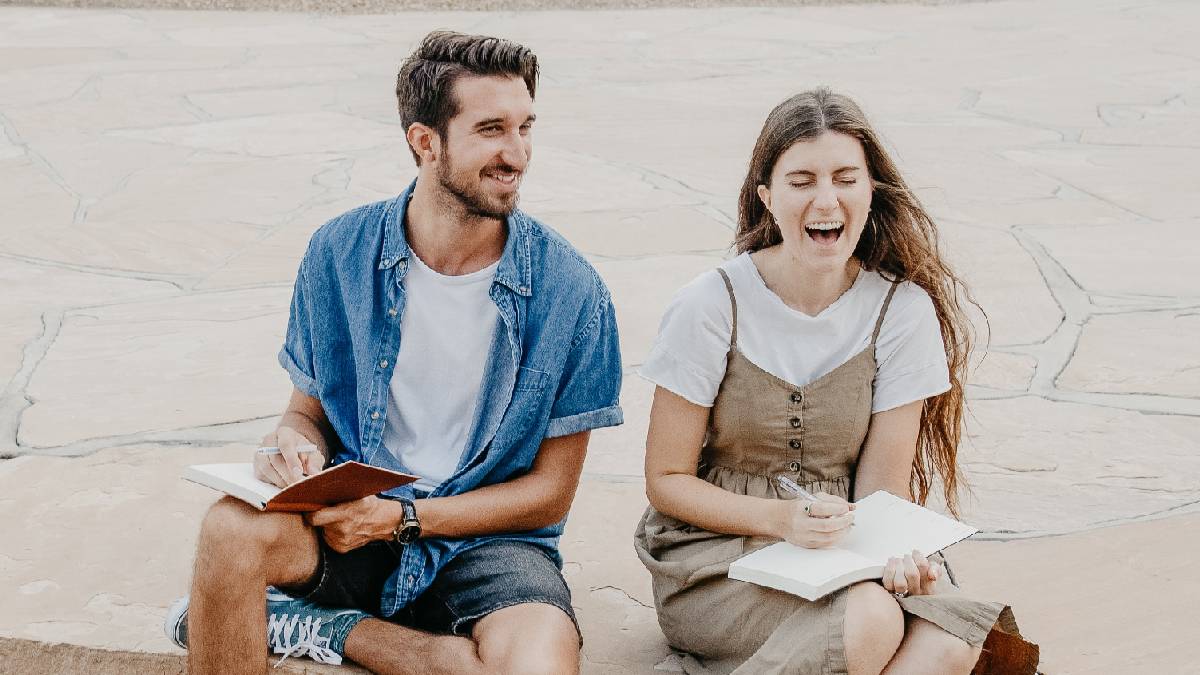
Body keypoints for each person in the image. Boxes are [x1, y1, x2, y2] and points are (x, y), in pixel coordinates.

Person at [165, 31, 623, 675]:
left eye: (525, 127)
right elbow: (306, 413)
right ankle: (358, 633)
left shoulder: (571, 290)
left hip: (487, 544)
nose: (516, 153)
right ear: (424, 141)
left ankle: (315, 625)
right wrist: (294, 444)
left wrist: (404, 520)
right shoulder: (339, 254)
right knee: (229, 529)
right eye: (491, 129)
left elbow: (548, 494)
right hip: (350, 523)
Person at [634, 88, 1034, 674]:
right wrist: (780, 521)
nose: (827, 199)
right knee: (871, 617)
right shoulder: (710, 304)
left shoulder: (902, 310)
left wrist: (895, 556)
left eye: (846, 177)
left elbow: (881, 493)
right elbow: (666, 480)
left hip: (844, 551)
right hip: (715, 557)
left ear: (871, 190)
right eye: (802, 180)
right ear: (767, 197)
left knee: (953, 640)